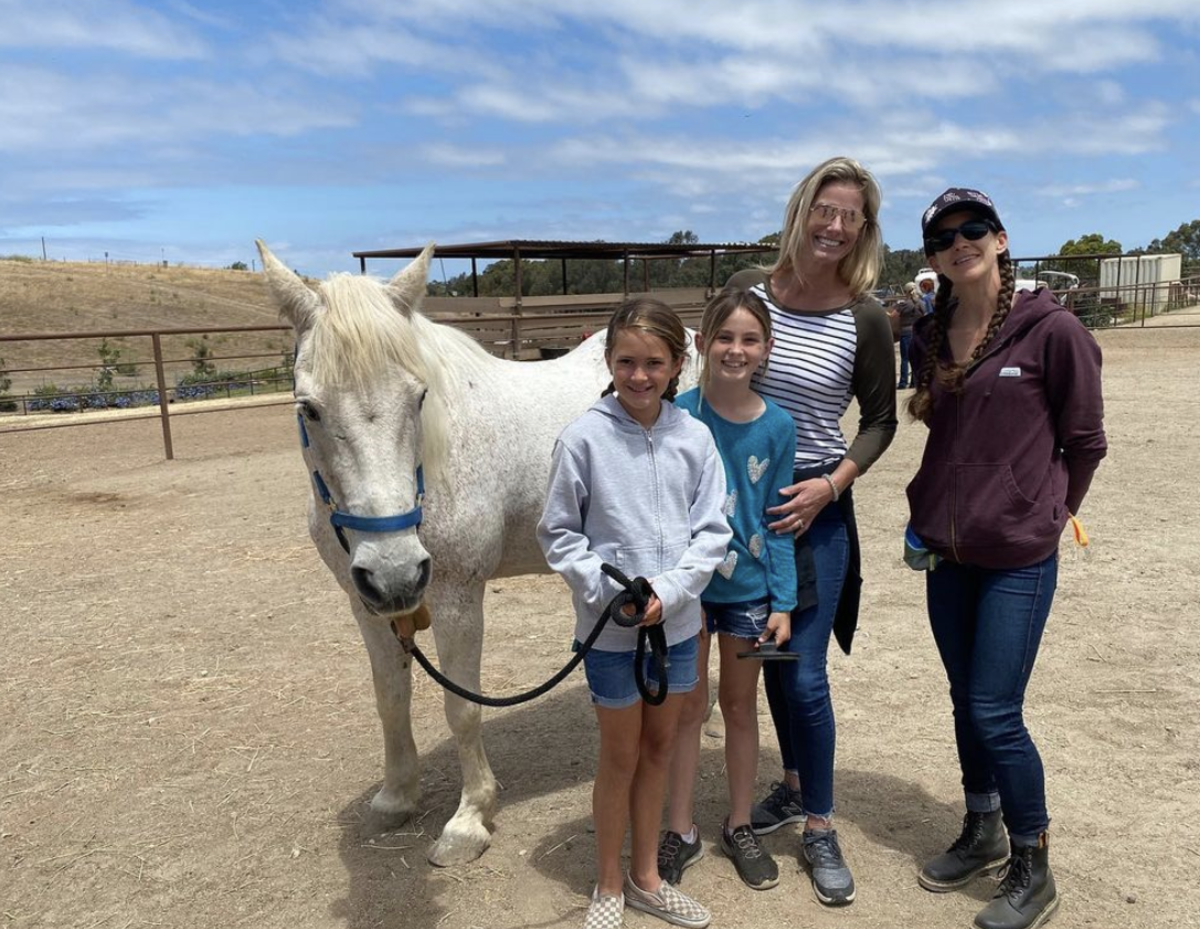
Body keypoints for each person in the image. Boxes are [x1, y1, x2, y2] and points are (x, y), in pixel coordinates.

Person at [906, 188, 1106, 929]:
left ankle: (1034, 862)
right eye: (944, 236)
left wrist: (1051, 511)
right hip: (947, 551)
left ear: (1000, 237)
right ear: (931, 257)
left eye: (973, 229)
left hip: (1018, 555)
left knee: (995, 709)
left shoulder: (1052, 330)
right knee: (966, 699)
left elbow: (1085, 441)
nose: (961, 242)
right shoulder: (927, 335)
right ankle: (982, 823)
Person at [724, 155, 898, 907]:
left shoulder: (864, 315)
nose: (833, 226)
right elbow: (713, 384)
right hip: (747, 514)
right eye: (823, 210)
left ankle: (821, 823)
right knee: (767, 660)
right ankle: (793, 785)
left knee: (805, 671)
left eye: (848, 216)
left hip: (817, 512)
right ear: (800, 210)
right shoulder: (749, 297)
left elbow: (882, 418)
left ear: (863, 228)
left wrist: (831, 485)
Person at [537, 297, 732, 929]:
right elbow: (560, 533)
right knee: (618, 754)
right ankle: (608, 884)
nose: (640, 376)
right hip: (613, 634)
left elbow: (712, 532)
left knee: (659, 748)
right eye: (627, 361)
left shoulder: (695, 437)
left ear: (679, 363)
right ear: (609, 360)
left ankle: (647, 875)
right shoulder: (583, 438)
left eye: (655, 362)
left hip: (676, 630)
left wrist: (671, 593)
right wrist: (608, 590)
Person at [660, 287, 798, 892]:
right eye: (724, 337)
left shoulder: (779, 427)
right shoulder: (676, 417)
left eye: (749, 339)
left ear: (766, 349)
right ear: (701, 343)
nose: (735, 350)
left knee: (741, 707)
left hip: (748, 594)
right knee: (687, 708)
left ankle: (739, 823)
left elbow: (781, 520)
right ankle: (680, 828)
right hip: (687, 592)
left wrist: (784, 600)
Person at [895, 282, 923, 388]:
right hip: (916, 332)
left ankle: (903, 382)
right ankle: (914, 382)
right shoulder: (919, 303)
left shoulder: (904, 304)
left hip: (905, 333)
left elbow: (894, 315)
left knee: (905, 359)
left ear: (906, 291)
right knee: (915, 358)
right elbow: (925, 313)